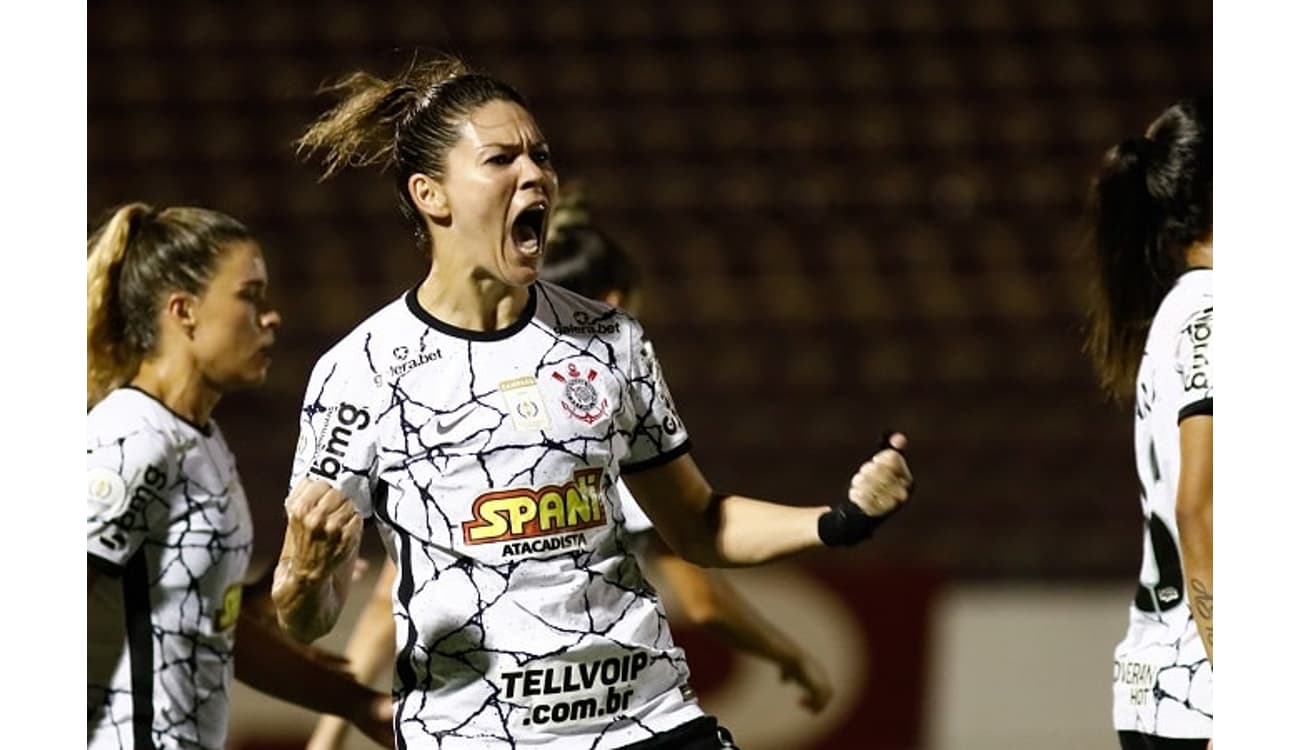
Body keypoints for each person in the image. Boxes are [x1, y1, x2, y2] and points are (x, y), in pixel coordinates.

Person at [272, 55, 913, 750]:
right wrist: (304, 577)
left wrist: (840, 521)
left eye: (539, 155)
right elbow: (305, 618)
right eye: (500, 158)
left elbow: (698, 525)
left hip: (648, 723)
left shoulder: (609, 340)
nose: (535, 173)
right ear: (432, 195)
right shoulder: (360, 372)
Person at [304, 189, 834, 750]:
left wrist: (328, 734)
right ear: (612, 300)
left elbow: (386, 610)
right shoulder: (588, 436)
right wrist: (790, 654)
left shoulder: (479, 423)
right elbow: (701, 591)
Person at [86, 203, 395, 749]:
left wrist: (357, 702)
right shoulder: (133, 440)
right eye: (249, 297)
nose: (271, 317)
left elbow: (211, 631)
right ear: (184, 312)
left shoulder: (197, 439)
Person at [1082, 96, 1213, 750]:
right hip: (1204, 700)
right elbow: (1200, 506)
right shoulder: (1217, 314)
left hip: (1166, 689)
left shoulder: (1185, 310)